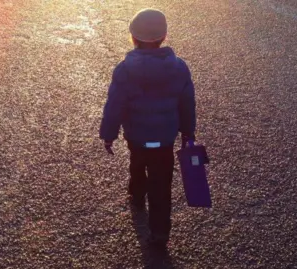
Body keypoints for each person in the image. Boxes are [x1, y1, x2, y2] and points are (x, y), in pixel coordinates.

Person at [99, 8, 197, 252]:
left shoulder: (124, 70)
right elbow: (187, 103)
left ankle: (136, 193)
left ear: (133, 37)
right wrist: (187, 132)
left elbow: (115, 105)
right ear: (164, 37)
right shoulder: (179, 68)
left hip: (136, 135)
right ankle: (160, 232)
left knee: (137, 161)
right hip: (164, 138)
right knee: (162, 184)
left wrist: (108, 134)